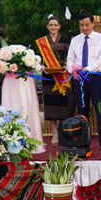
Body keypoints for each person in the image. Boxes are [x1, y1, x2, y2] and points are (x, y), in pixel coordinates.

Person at [67, 12, 101, 151]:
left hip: (96, 77)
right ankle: (83, 141)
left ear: (93, 23)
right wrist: (74, 70)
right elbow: (70, 59)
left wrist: (88, 68)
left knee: (100, 108)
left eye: (87, 24)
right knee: (82, 110)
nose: (84, 28)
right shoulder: (75, 40)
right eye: (81, 25)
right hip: (79, 80)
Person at [35, 15, 72, 146]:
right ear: (47, 27)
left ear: (59, 26)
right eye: (51, 25)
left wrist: (67, 65)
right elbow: (37, 59)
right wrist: (42, 67)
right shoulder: (42, 42)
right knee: (50, 105)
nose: (53, 27)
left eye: (55, 25)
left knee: (62, 104)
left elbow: (71, 56)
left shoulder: (66, 40)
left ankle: (62, 132)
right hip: (48, 77)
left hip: (62, 76)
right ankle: (55, 133)